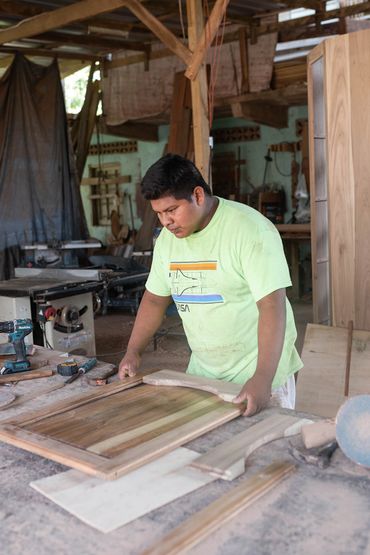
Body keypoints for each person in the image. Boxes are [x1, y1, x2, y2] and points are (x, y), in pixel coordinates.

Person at [118, 154, 302, 416]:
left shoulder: (251, 230)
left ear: (198, 195)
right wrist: (133, 351)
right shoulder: (168, 242)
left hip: (259, 373)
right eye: (159, 214)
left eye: (171, 210)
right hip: (203, 374)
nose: (165, 222)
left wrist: (262, 379)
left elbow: (272, 306)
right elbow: (155, 299)